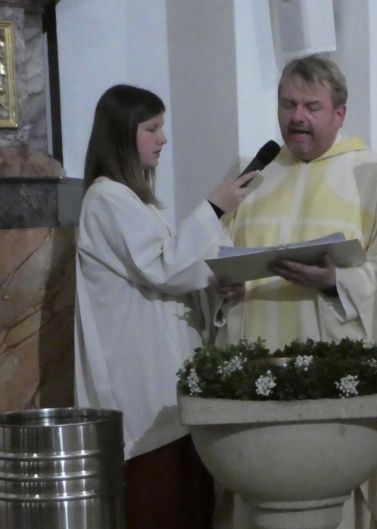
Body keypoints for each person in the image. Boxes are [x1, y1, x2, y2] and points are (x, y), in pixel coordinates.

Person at [215, 55, 377, 529]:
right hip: (258, 381)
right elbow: (216, 252)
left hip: (336, 378)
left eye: (311, 106)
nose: (296, 117)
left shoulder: (372, 173)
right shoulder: (251, 176)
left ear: (339, 114)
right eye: (287, 105)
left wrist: (337, 282)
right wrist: (221, 285)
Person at [74, 84, 254, 529]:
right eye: (152, 128)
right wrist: (213, 208)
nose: (163, 139)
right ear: (121, 134)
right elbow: (161, 268)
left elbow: (172, 275)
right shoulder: (106, 198)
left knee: (188, 505)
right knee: (158, 506)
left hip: (168, 380)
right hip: (140, 381)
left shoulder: (140, 204)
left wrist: (218, 287)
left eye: (163, 128)